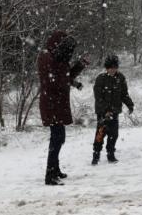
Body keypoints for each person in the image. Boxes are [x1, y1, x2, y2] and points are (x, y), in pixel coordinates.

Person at [38, 30, 90, 186]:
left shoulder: (56, 57)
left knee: (59, 138)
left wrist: (80, 65)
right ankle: (50, 175)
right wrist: (68, 80)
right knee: (57, 138)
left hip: (57, 103)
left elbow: (66, 76)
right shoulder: (47, 58)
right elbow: (55, 80)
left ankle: (55, 169)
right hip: (51, 104)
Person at [91, 55, 135, 165]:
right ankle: (96, 155)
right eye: (110, 68)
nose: (113, 70)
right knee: (100, 133)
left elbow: (124, 94)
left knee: (114, 134)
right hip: (102, 112)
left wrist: (130, 105)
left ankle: (111, 154)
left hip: (115, 111)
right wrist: (105, 110)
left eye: (115, 68)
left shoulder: (120, 78)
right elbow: (98, 97)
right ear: (107, 68)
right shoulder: (100, 79)